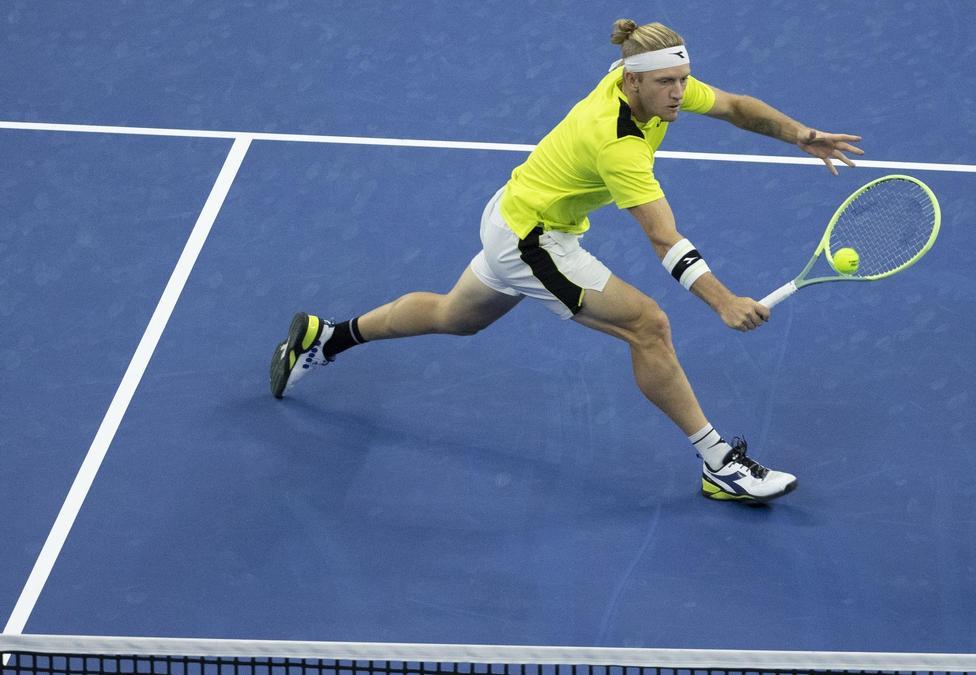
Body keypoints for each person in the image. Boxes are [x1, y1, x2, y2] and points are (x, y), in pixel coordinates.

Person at [269, 19, 863, 503]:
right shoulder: (618, 144)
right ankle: (718, 464)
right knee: (648, 325)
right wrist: (722, 299)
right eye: (667, 85)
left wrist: (800, 134)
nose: (680, 93)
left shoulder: (644, 83)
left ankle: (328, 338)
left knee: (456, 317)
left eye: (684, 79)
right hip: (532, 240)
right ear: (632, 83)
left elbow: (733, 106)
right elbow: (663, 238)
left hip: (513, 211)